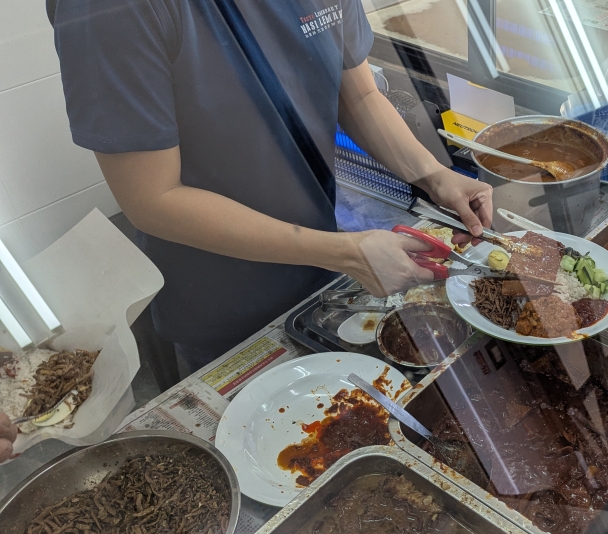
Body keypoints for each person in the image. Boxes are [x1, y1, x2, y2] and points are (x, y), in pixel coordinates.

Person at [47, 0, 493, 372]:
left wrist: (433, 174)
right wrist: (347, 252)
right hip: (226, 304)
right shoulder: (110, 9)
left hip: (324, 275)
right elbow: (152, 199)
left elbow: (358, 95)